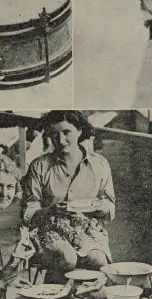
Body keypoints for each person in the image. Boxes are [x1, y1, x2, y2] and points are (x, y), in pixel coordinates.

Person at [21, 110, 115, 281]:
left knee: (98, 259)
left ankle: (88, 298)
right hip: (48, 228)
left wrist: (94, 206)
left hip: (86, 228)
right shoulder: (39, 166)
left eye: (67, 132)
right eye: (54, 135)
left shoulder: (99, 164)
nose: (61, 140)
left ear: (79, 131)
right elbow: (27, 212)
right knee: (67, 258)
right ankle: (55, 297)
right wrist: (50, 210)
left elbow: (110, 208)